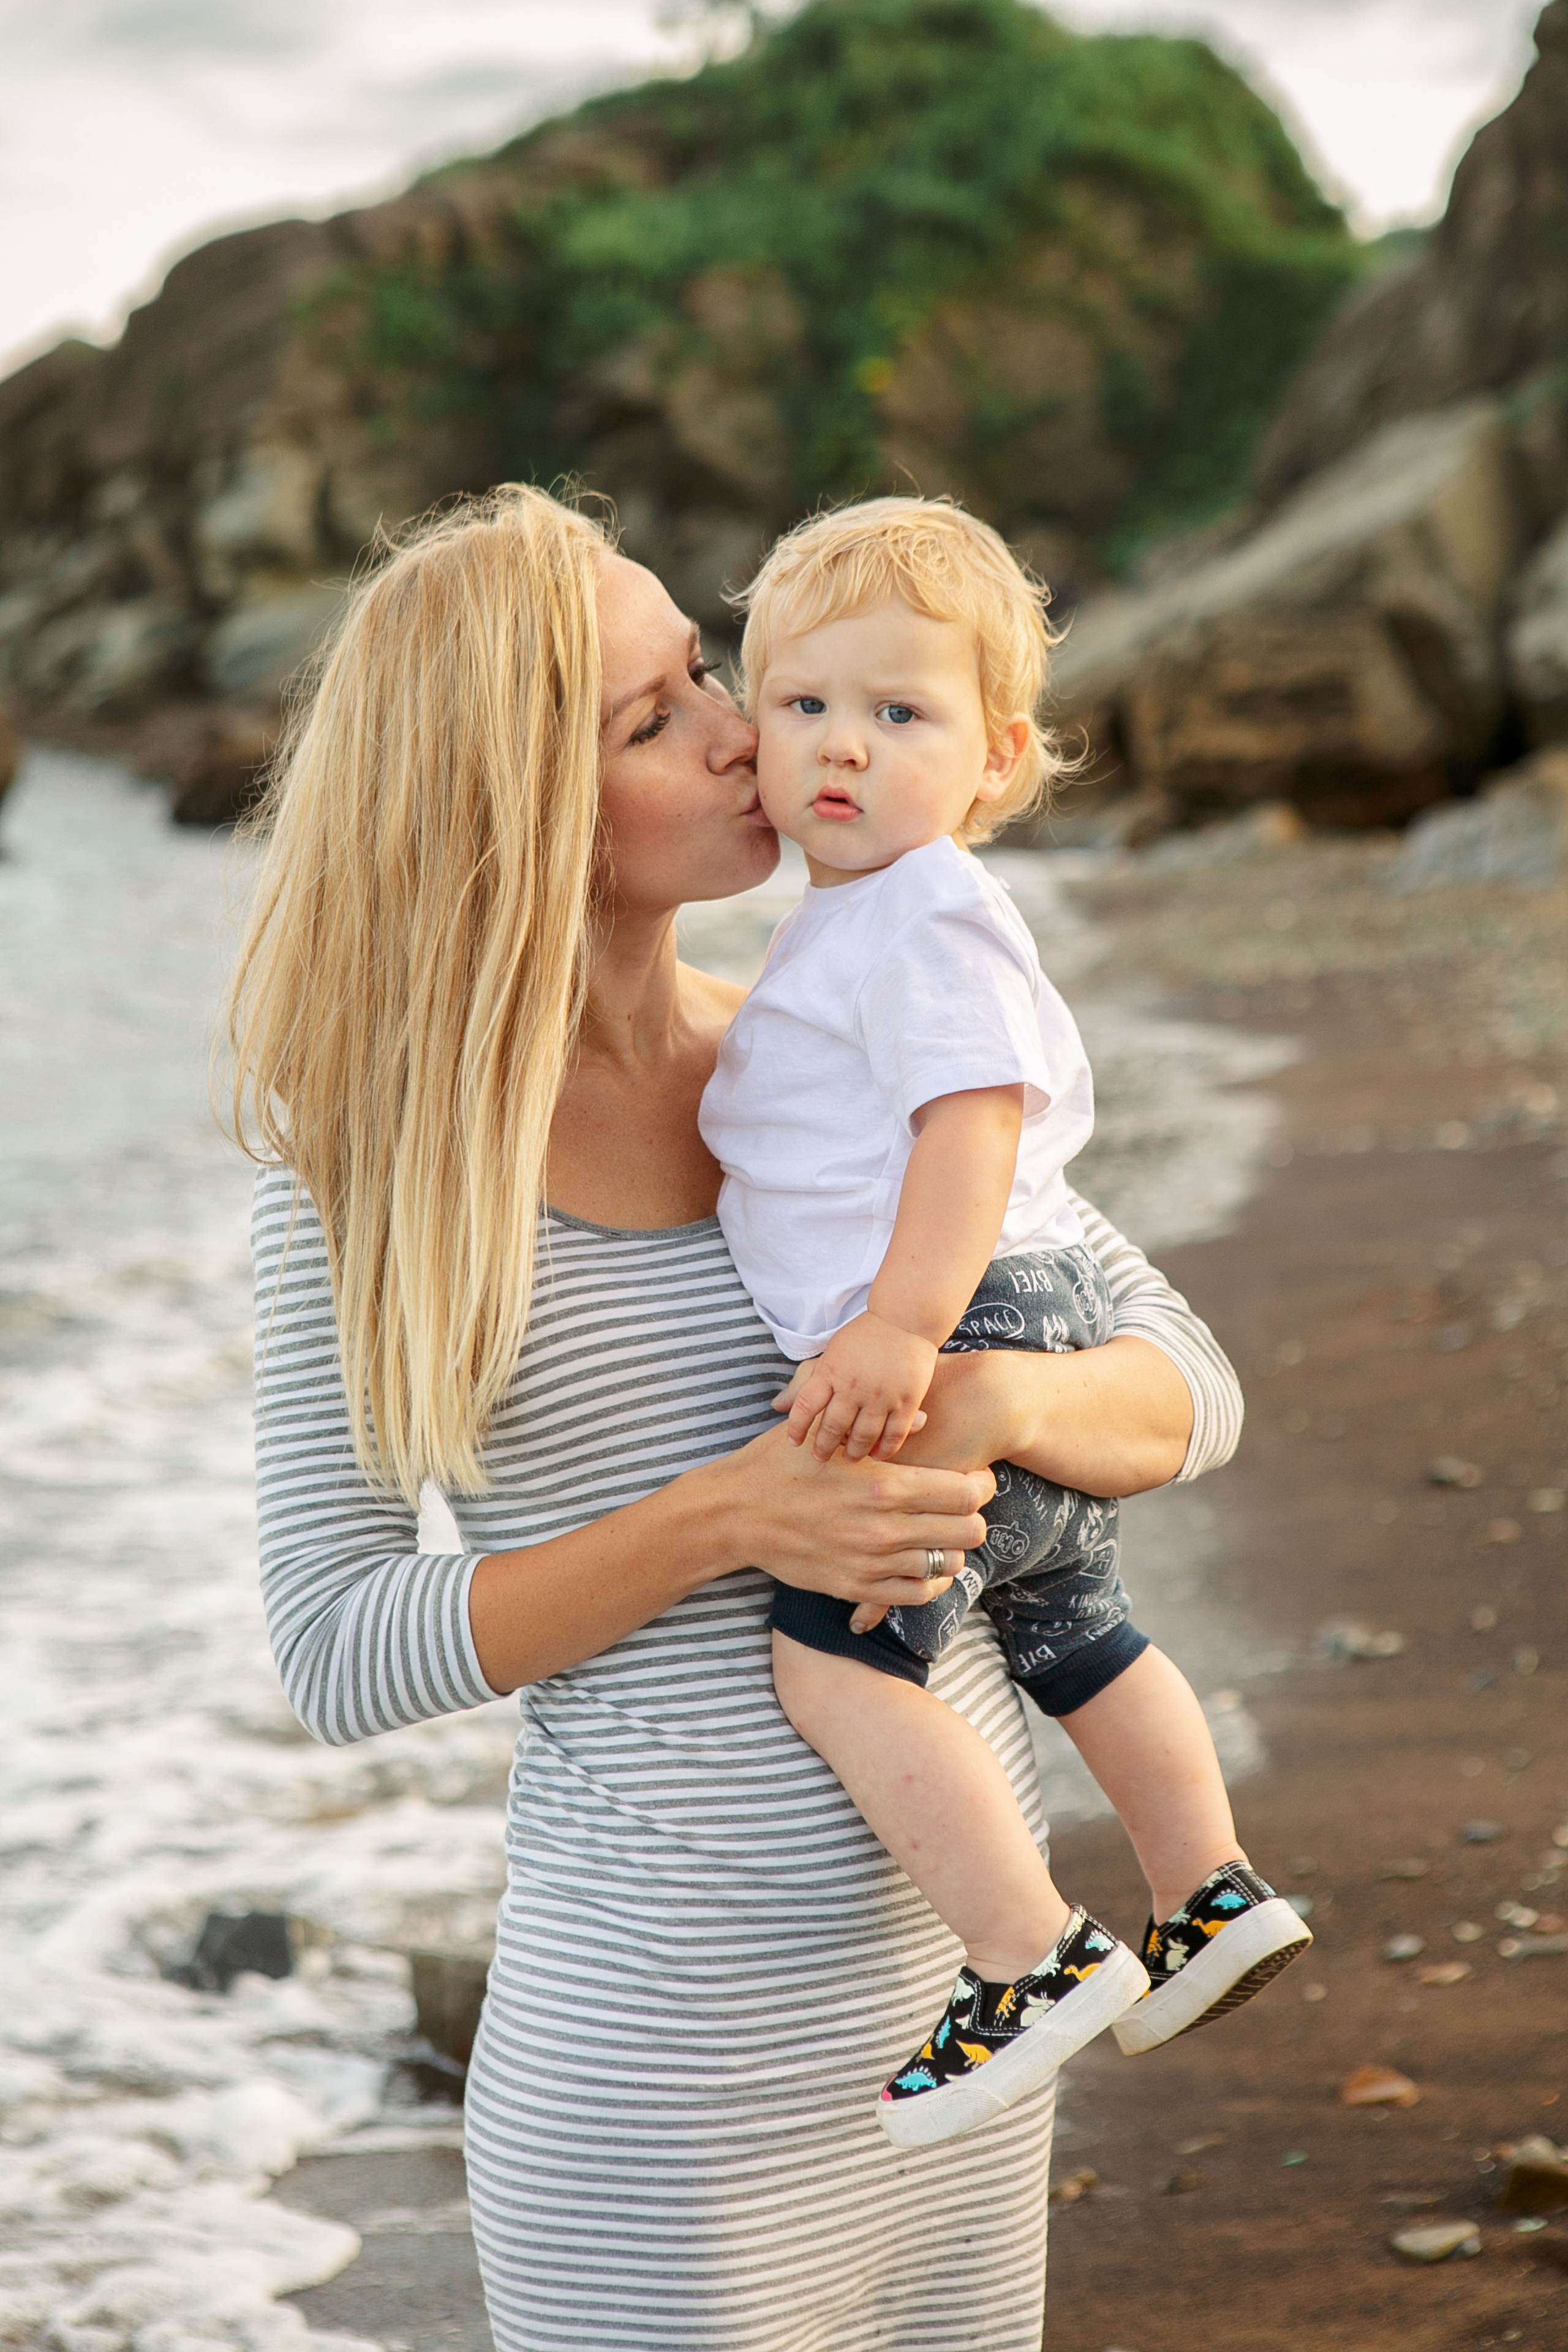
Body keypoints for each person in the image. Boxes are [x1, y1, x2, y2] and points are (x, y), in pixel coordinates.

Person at [227, 483, 1246, 2352]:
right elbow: (336, 1642)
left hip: (981, 2020)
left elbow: (1193, 1389)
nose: (745, 732)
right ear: (513, 807)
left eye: (707, 670)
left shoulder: (838, 1044)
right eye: (654, 719)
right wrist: (734, 1516)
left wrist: (994, 1394)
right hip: (659, 2087)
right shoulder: (372, 1171)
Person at [700, 498, 1310, 2148]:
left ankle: (1025, 1954)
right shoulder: (860, 917)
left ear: (996, 757)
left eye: (900, 715)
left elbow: (970, 1126)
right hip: (1003, 1314)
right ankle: (1209, 1892)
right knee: (1077, 1627)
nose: (841, 750)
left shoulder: (925, 911)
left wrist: (905, 1332)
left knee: (829, 1661)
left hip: (963, 1316)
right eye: (803, 705)